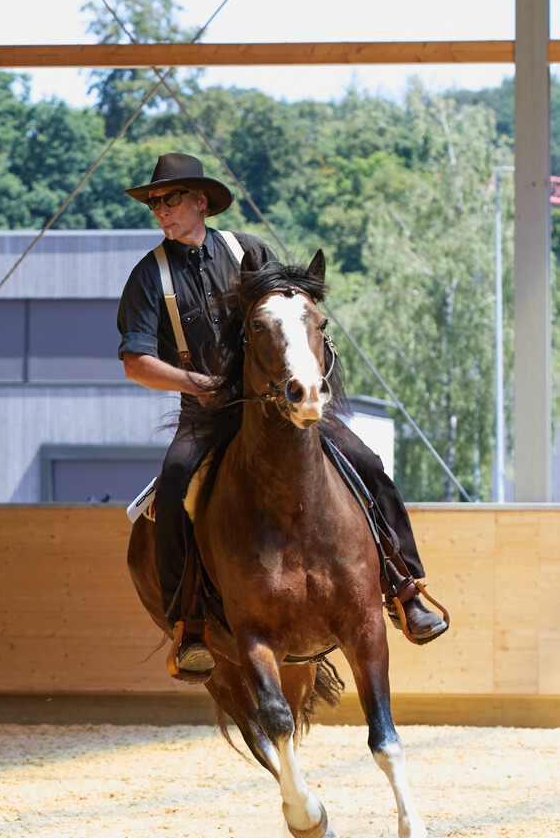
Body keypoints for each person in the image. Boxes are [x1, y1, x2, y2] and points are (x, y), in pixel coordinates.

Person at [117, 152, 447, 674]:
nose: (160, 209)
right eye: (154, 202)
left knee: (366, 461)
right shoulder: (147, 276)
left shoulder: (249, 251)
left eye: (170, 198)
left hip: (281, 404)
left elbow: (292, 318)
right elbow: (137, 363)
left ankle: (406, 588)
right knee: (177, 481)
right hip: (205, 413)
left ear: (201, 201)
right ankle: (190, 627)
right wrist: (196, 383)